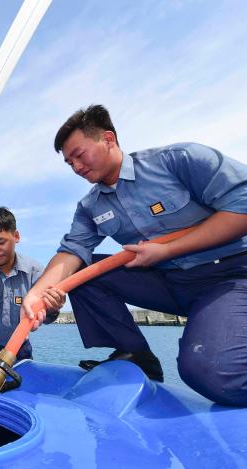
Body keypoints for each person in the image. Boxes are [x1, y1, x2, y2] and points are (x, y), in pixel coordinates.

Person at [21, 104, 247, 406]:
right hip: (168, 281)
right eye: (69, 162)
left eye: (79, 154)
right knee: (81, 274)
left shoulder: (178, 160)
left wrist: (166, 250)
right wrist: (38, 293)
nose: (75, 167)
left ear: (108, 139)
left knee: (210, 373)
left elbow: (242, 206)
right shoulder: (90, 207)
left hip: (230, 276)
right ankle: (136, 355)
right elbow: (72, 252)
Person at [0, 207, 65, 385]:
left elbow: (46, 317)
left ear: (16, 236)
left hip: (19, 349)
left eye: (0, 241)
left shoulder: (36, 271)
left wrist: (53, 307)